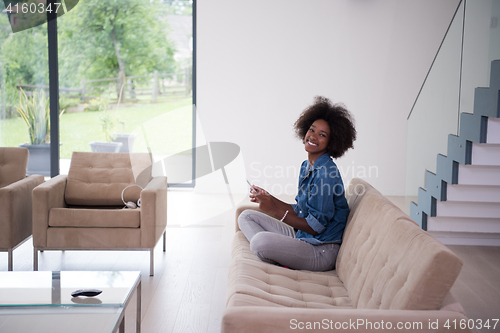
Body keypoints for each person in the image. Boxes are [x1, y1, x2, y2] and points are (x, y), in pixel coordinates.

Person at [238, 96, 357, 271]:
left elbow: (316, 227)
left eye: (322, 135)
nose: (313, 136)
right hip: (302, 236)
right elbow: (302, 210)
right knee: (246, 217)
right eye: (312, 130)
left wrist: (275, 210)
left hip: (320, 249)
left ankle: (279, 257)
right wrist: (269, 199)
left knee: (258, 242)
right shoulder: (307, 165)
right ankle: (282, 256)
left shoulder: (325, 174)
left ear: (332, 142)